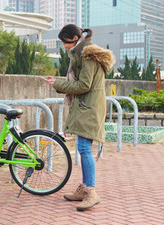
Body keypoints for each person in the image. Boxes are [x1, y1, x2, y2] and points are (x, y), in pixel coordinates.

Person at [40, 24, 115, 211]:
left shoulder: (87, 56)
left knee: (84, 148)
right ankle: (84, 189)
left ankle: (91, 192)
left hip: (88, 108)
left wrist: (58, 84)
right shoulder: (82, 54)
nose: (64, 46)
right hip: (86, 107)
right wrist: (57, 82)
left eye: (65, 42)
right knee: (83, 148)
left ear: (74, 38)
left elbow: (84, 85)